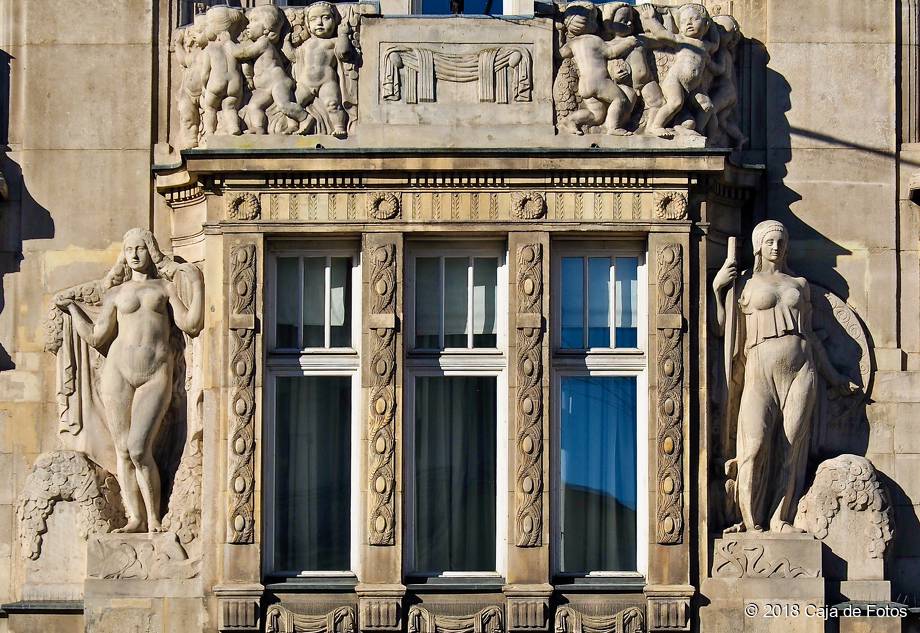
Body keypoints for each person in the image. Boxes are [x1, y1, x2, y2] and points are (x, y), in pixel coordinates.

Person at [712, 220, 857, 533]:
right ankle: (750, 522)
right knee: (754, 447)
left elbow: (812, 338)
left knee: (792, 446)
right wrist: (718, 288)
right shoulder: (745, 284)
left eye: (781, 241)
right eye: (769, 242)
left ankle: (780, 517)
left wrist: (834, 377)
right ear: (758, 247)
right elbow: (722, 330)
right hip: (759, 368)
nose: (776, 247)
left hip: (801, 368)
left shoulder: (799, 284)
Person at [55, 229, 204, 533]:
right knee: (123, 449)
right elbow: (97, 337)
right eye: (129, 249)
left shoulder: (164, 288)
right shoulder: (115, 294)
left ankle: (155, 519)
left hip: (155, 373)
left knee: (138, 448)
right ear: (123, 254)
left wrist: (198, 285)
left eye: (140, 248)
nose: (135, 254)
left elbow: (191, 323)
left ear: (151, 251)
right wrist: (72, 309)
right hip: (117, 373)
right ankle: (136, 518)